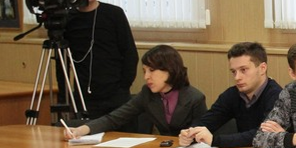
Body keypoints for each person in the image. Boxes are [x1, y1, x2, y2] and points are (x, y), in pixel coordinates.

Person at [63, 44, 207, 138]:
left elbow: (202, 132)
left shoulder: (195, 98)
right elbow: (115, 118)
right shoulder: (147, 93)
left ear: (169, 69)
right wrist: (81, 130)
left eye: (151, 70)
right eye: (144, 71)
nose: (146, 77)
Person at [63, 0, 139, 121]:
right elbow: (63, 61)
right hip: (83, 95)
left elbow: (130, 52)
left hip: (116, 93)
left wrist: (124, 86)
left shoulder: (114, 13)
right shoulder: (67, 18)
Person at [179, 42, 282, 148]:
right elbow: (208, 120)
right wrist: (190, 133)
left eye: (243, 70)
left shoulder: (278, 96)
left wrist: (215, 140)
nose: (237, 77)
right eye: (233, 72)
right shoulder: (232, 94)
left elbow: (264, 135)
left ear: (262, 68)